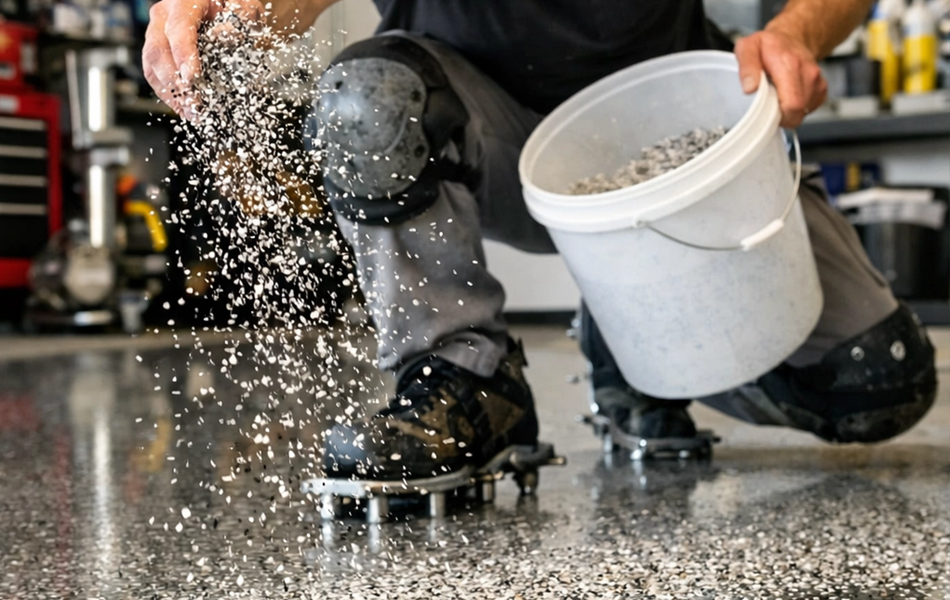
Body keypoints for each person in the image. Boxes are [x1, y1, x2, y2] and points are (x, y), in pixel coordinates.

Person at [143, 0, 937, 481]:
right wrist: (224, 16)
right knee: (364, 99)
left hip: (674, 143)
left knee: (880, 381)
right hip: (480, 128)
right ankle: (462, 379)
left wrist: (796, 32)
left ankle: (633, 346)